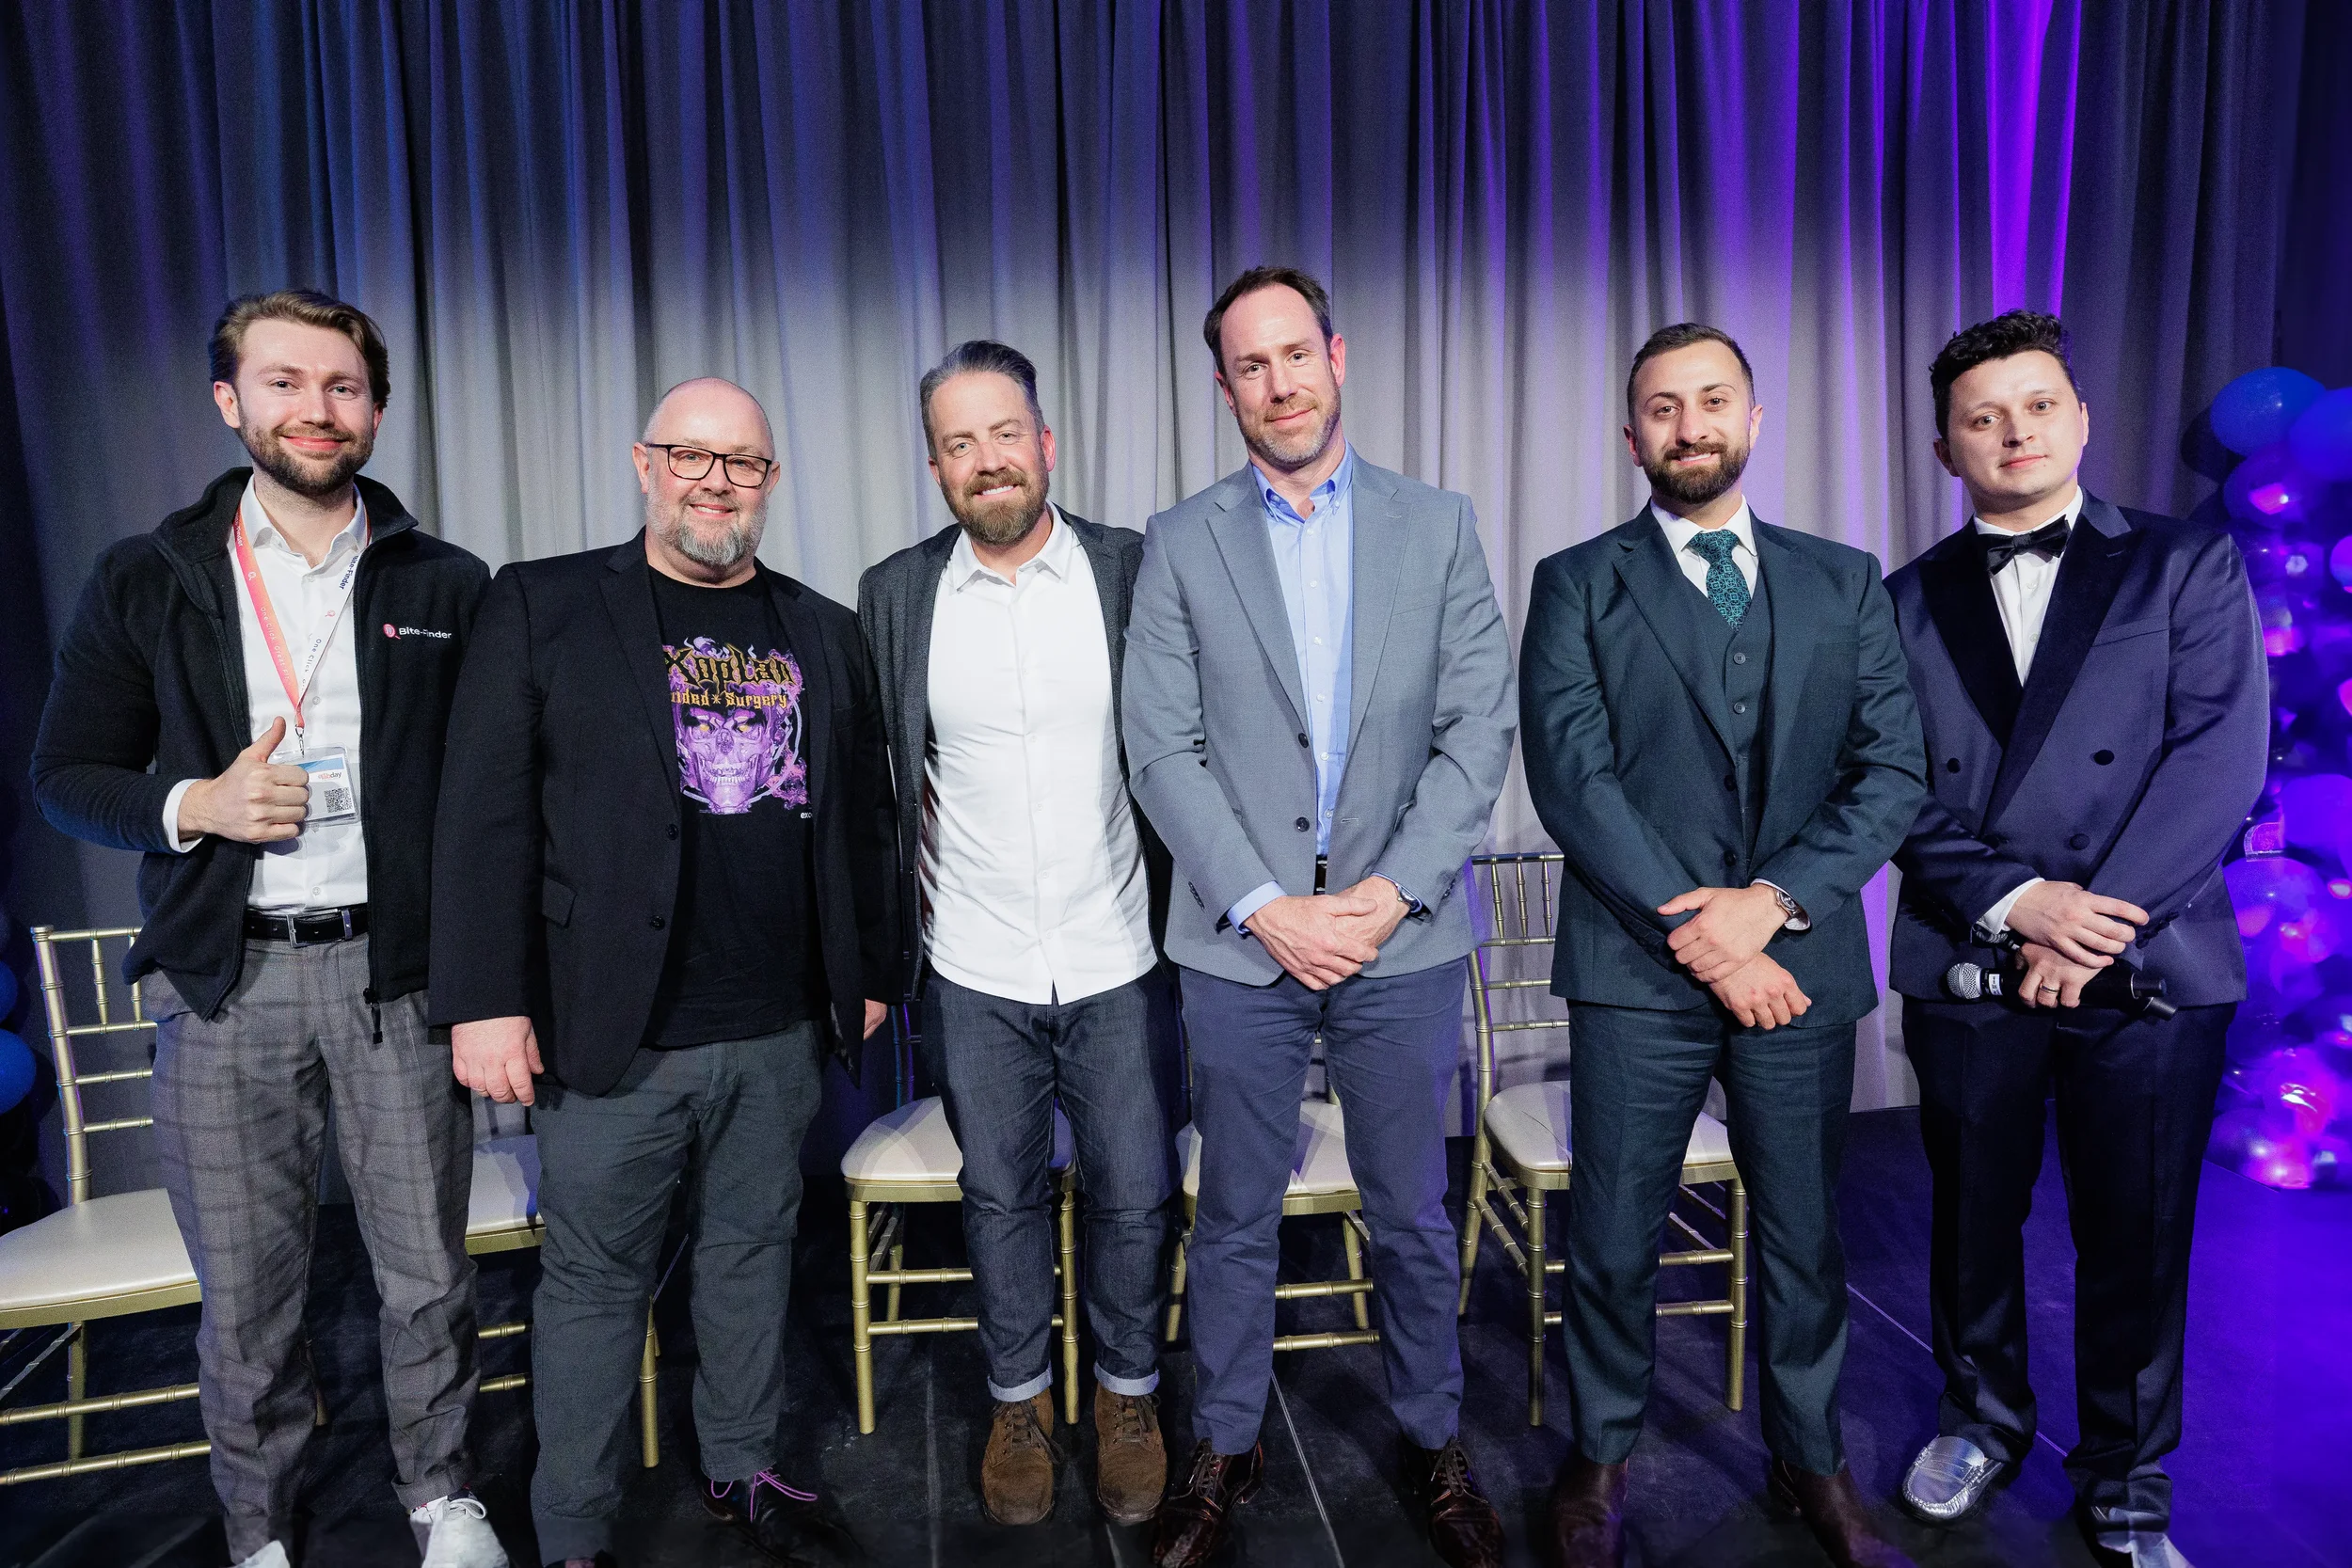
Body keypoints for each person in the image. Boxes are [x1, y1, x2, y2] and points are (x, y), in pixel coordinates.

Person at [30, 290, 503, 1568]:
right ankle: (258, 1526)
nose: (317, 407)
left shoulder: (443, 582)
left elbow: (489, 796)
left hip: (394, 982)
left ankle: (441, 1492)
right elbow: (68, 772)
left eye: (343, 387)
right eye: (285, 381)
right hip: (225, 981)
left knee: (426, 1274)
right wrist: (197, 801)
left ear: (377, 411)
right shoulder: (147, 575)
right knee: (246, 1298)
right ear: (231, 400)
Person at [428, 378, 897, 1568]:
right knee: (593, 1284)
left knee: (752, 1251)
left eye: (741, 462)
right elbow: (479, 816)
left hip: (779, 1025)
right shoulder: (540, 606)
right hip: (615, 1030)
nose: (715, 480)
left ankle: (741, 1464)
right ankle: (573, 1530)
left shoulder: (823, 626)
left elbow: (867, 823)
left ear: (771, 481)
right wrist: (484, 997)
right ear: (646, 464)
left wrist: (871, 968)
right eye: (691, 455)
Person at [1123, 266, 1517, 1568]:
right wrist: (1266, 905)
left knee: (1410, 1209)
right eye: (1251, 363)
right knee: (1233, 1208)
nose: (1279, 381)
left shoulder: (1441, 524)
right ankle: (1222, 1445)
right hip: (1243, 944)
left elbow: (1477, 733)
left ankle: (1431, 1436)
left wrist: (1384, 892)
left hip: (1397, 938)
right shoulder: (1180, 540)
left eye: (1297, 353)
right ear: (1224, 384)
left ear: (1337, 356)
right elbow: (1162, 746)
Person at [1518, 324, 1927, 1568]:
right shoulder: (1577, 580)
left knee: (1805, 1226)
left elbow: (1891, 766)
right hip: (1638, 967)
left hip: (1799, 960)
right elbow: (1573, 780)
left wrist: (1776, 902)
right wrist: (1707, 930)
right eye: (1661, 405)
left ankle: (1813, 1461)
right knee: (1615, 1227)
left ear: (1754, 420)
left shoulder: (1844, 577)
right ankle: (1600, 1455)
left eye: (1712, 400)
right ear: (1628, 433)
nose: (1689, 423)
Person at [1884, 310, 2265, 1568]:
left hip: (2149, 959)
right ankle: (1981, 1418)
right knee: (1971, 1217)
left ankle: (2127, 1475)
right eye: (1983, 415)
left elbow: (2220, 758)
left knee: (2140, 1231)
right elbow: (1885, 783)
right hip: (1975, 950)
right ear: (1947, 445)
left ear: (2081, 417)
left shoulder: (2187, 565)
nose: (2014, 430)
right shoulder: (1898, 600)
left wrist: (2094, 921)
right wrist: (2020, 903)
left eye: (2037, 404)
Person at [857, 340, 1176, 1528]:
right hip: (972, 961)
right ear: (935, 463)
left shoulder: (1132, 570)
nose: (986, 460)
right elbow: (882, 784)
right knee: (997, 1191)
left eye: (1005, 434)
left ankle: (1129, 1393)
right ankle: (1018, 1399)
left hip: (1118, 949)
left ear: (1045, 443)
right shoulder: (895, 594)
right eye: (958, 441)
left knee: (1135, 1190)